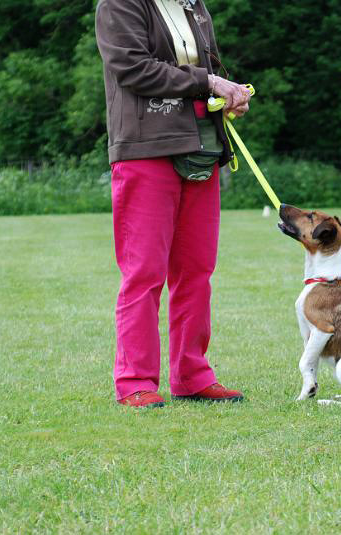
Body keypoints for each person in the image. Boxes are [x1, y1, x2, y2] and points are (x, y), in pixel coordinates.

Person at [95, 0, 251, 407]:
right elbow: (133, 68)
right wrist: (209, 83)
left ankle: (192, 374)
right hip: (145, 149)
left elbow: (208, 72)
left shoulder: (194, 5)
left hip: (202, 146)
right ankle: (135, 382)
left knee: (197, 269)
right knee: (144, 272)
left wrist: (229, 92)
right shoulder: (119, 5)